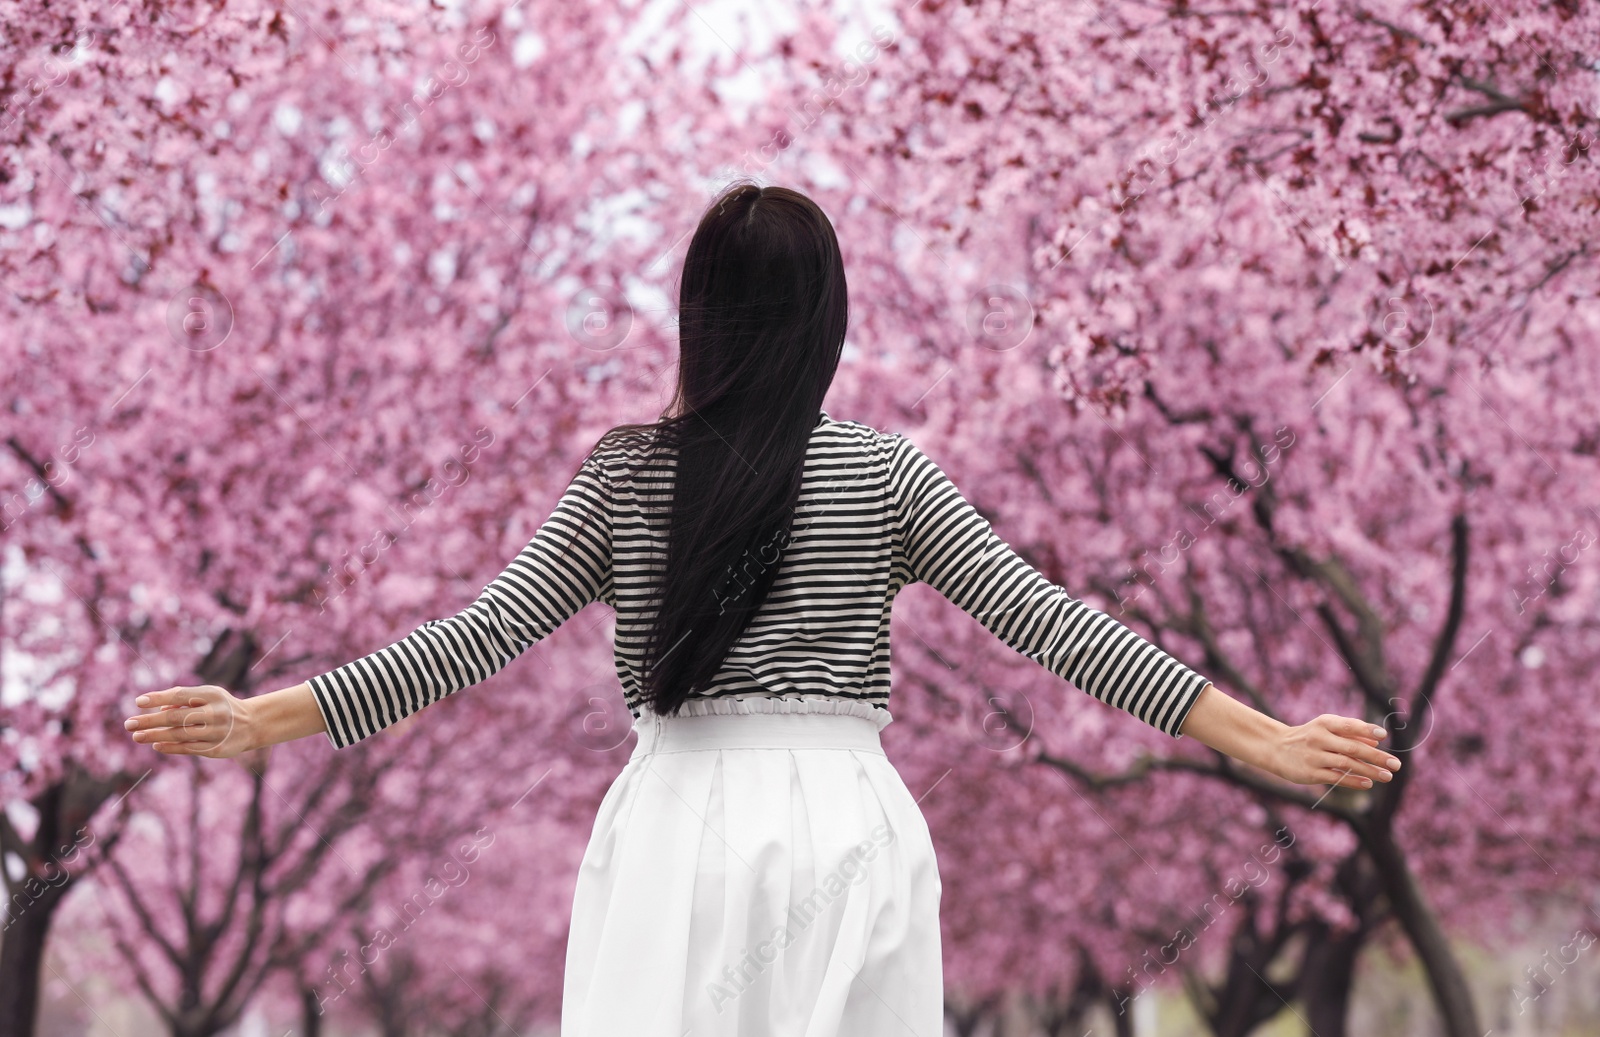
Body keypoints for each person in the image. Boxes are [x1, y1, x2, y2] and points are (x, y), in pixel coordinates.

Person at [123, 182, 1400, 1036]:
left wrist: (266, 718)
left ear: (699, 314)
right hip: (846, 823)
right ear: (825, 319)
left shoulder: (626, 473)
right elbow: (1049, 620)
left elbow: (476, 635)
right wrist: (1261, 735)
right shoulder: (886, 472)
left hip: (678, 824)